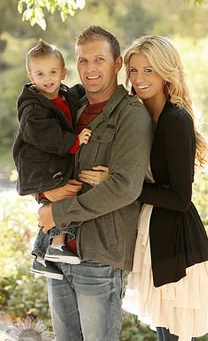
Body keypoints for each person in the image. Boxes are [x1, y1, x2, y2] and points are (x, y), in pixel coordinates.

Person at [37, 25, 153, 341]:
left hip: (100, 256)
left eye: (99, 60)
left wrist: (58, 213)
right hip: (58, 252)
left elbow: (125, 187)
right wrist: (43, 193)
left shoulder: (130, 116)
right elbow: (43, 159)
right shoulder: (71, 109)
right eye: (83, 61)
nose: (89, 69)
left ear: (117, 64)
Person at [121, 35, 208, 341]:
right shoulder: (144, 116)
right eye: (134, 70)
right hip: (153, 234)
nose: (138, 79)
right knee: (165, 332)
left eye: (148, 70)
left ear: (167, 71)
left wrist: (126, 188)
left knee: (174, 336)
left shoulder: (175, 120)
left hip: (176, 243)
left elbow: (180, 198)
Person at [13, 39, 92, 280]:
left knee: (58, 201)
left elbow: (75, 96)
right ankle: (57, 245)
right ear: (30, 75)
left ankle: (40, 256)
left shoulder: (63, 94)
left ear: (63, 73)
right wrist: (74, 142)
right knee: (64, 198)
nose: (47, 78)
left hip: (51, 162)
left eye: (53, 72)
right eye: (40, 73)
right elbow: (44, 135)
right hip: (40, 163)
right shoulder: (33, 108)